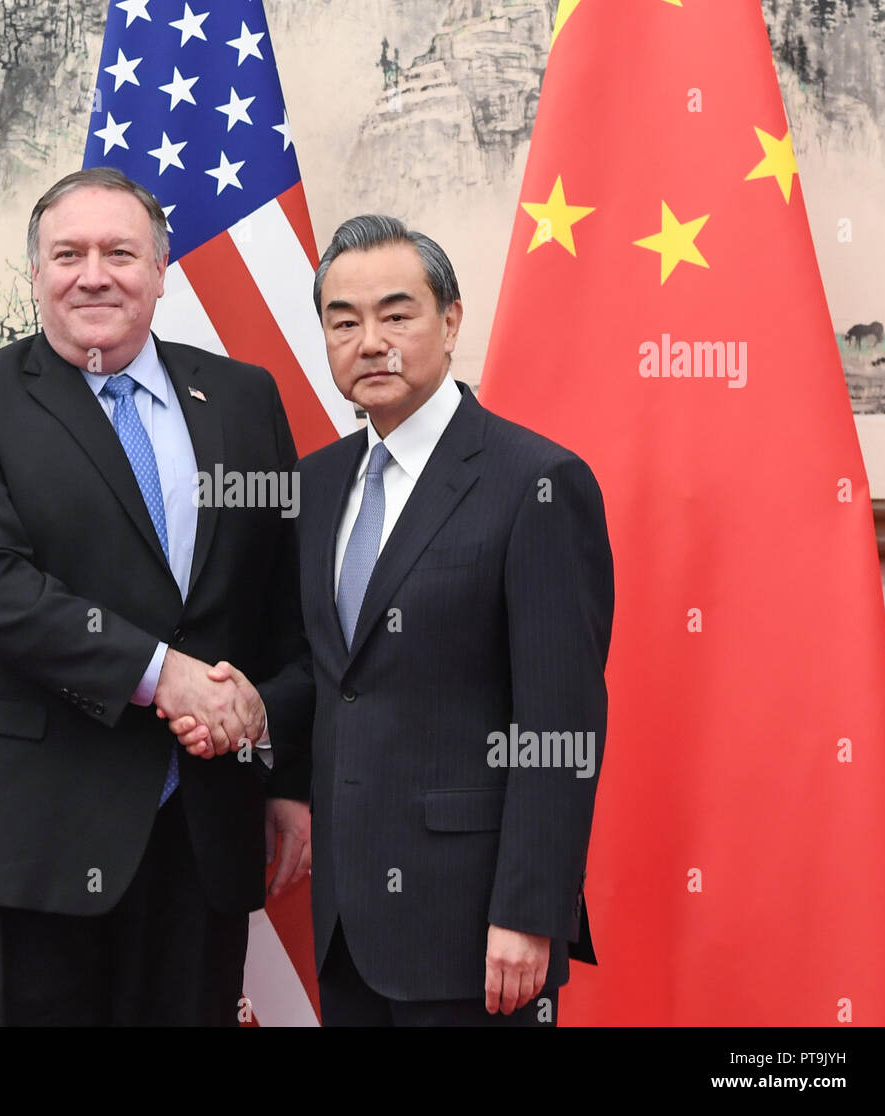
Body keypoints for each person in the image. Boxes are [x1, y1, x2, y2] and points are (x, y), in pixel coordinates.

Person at [179, 214, 613, 1025]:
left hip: (477, 926)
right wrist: (255, 708)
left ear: (450, 322)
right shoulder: (315, 486)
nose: (370, 340)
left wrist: (528, 913)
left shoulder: (537, 484)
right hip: (349, 923)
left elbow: (562, 724)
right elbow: (331, 675)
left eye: (396, 314)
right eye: (343, 321)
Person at [0, 167, 312, 1026]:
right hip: (32, 840)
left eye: (120, 252)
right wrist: (166, 677)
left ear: (162, 270)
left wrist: (284, 768)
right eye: (69, 254)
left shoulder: (243, 400)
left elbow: (284, 607)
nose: (94, 273)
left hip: (201, 834)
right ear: (37, 275)